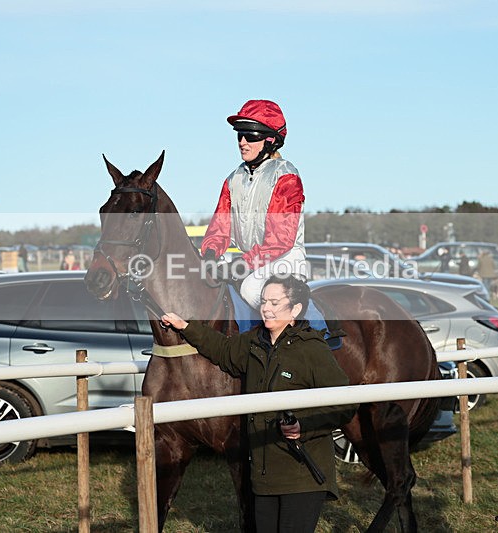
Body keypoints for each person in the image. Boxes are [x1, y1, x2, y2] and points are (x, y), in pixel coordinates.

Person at [161, 274, 357, 533]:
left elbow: (344, 403)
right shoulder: (255, 341)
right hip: (263, 478)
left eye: (275, 303)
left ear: (295, 309)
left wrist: (304, 426)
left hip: (303, 476)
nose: (266, 308)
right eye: (264, 301)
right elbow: (222, 349)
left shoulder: (312, 349)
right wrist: (185, 327)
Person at [200, 99, 307, 308]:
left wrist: (242, 264)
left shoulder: (286, 176)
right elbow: (220, 228)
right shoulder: (233, 179)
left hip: (284, 261)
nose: (242, 142)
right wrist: (210, 254)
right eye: (239, 135)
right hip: (251, 262)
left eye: (250, 136)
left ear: (270, 140)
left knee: (250, 289)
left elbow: (280, 240)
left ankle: (291, 328)